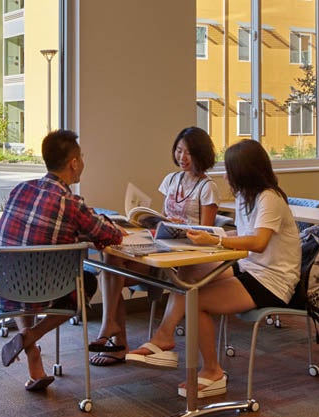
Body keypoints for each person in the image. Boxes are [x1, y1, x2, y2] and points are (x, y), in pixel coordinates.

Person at [125, 139, 302, 399]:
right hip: (249, 268)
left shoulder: (269, 199)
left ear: (244, 171)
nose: (226, 176)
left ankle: (212, 371)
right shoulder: (246, 197)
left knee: (197, 302)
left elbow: (259, 242)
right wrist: (212, 234)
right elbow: (245, 236)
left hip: (272, 280)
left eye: (230, 170)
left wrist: (216, 239)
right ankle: (163, 338)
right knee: (188, 274)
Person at [0, 129, 123, 391]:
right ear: (74, 163)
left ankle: (33, 359)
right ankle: (31, 336)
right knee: (85, 282)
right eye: (82, 157)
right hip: (46, 291)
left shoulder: (20, 189)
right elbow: (111, 236)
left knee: (24, 279)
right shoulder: (71, 203)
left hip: (6, 288)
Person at [90, 127, 221, 367]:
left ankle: (112, 334)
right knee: (112, 263)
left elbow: (207, 234)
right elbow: (165, 215)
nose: (182, 157)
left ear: (201, 154)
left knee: (113, 274)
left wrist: (183, 227)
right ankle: (112, 330)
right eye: (179, 151)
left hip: (183, 258)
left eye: (189, 153)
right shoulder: (171, 179)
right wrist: (152, 220)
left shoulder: (207, 187)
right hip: (160, 246)